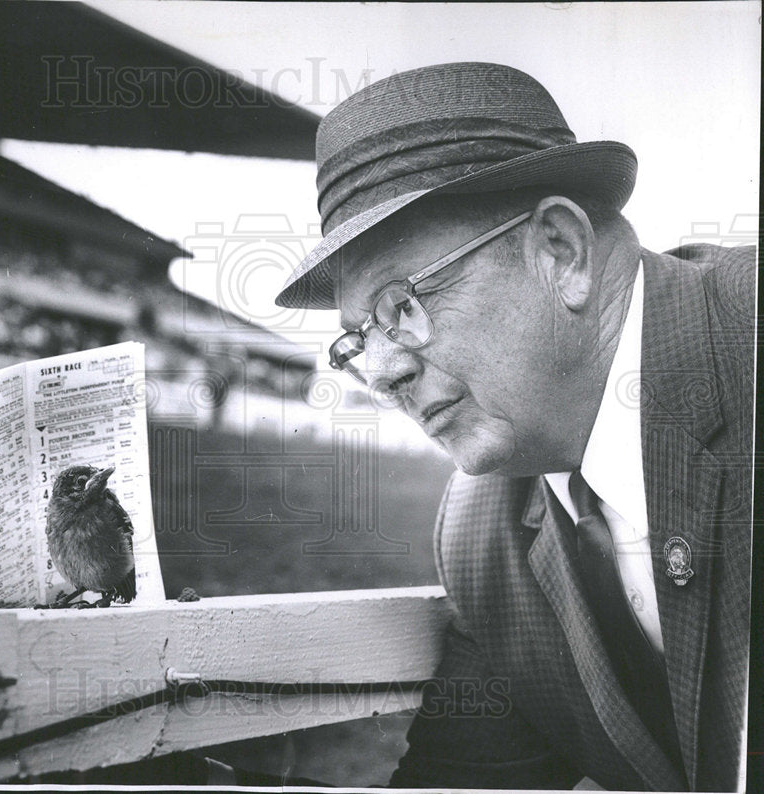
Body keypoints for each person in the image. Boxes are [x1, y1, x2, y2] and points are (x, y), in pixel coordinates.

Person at [266, 62, 754, 791]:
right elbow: (463, 778)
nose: (382, 372)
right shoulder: (478, 538)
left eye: (403, 307)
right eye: (359, 337)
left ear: (561, 250)